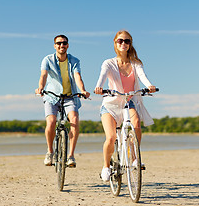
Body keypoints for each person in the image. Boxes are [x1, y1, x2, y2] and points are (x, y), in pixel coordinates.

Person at [94, 30, 157, 181]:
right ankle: (106, 166)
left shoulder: (136, 63)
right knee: (111, 138)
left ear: (130, 44)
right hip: (111, 105)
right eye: (120, 41)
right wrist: (98, 87)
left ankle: (135, 158)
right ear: (115, 43)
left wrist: (149, 85)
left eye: (127, 41)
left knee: (136, 125)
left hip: (129, 102)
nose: (123, 44)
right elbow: (102, 76)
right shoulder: (108, 63)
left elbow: (143, 77)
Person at [35, 34, 90, 167]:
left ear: (68, 45)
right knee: (52, 121)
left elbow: (77, 76)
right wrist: (40, 88)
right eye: (59, 43)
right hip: (52, 96)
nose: (61, 45)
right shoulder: (47, 59)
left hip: (70, 96)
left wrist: (82, 90)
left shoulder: (74, 60)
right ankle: (50, 151)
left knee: (75, 120)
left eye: (64, 43)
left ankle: (70, 155)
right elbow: (43, 75)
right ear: (55, 46)